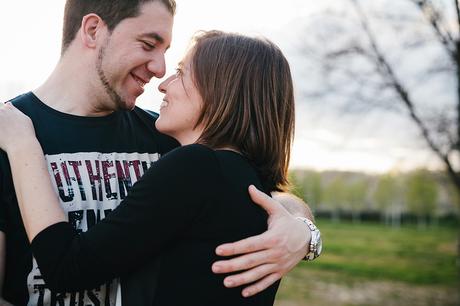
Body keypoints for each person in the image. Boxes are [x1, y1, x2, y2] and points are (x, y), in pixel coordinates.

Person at [0, 1, 319, 305]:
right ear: (94, 30)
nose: (160, 73)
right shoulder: (8, 133)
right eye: (148, 44)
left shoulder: (177, 147)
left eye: (176, 65)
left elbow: (267, 198)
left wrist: (302, 230)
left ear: (220, 91)